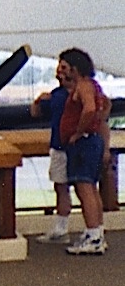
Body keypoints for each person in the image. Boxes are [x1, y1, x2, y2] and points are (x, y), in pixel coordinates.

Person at [55, 48, 110, 256]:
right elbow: (105, 105)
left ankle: (94, 236)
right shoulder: (93, 86)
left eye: (66, 67)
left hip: (84, 144)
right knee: (90, 188)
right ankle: (95, 231)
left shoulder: (84, 86)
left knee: (84, 188)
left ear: (76, 68)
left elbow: (88, 109)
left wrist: (79, 132)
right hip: (91, 142)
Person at [31, 62, 72, 242]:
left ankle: (92, 230)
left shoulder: (78, 93)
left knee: (82, 188)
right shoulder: (55, 95)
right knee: (60, 186)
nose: (59, 71)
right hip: (59, 146)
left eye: (64, 68)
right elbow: (35, 113)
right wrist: (39, 100)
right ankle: (61, 228)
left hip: (70, 147)